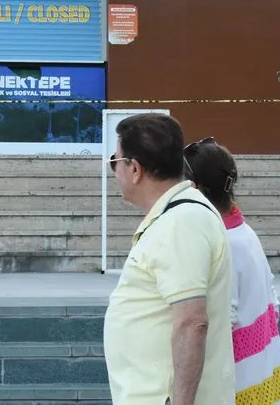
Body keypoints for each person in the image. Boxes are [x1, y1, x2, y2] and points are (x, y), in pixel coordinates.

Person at [103, 113, 236, 405]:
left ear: (134, 169)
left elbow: (192, 322)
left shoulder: (181, 222)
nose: (114, 170)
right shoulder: (179, 215)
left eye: (115, 161)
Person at [183, 137, 280, 405]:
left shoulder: (223, 241)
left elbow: (220, 323)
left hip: (237, 388)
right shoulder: (244, 232)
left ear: (193, 189)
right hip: (264, 377)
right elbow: (274, 304)